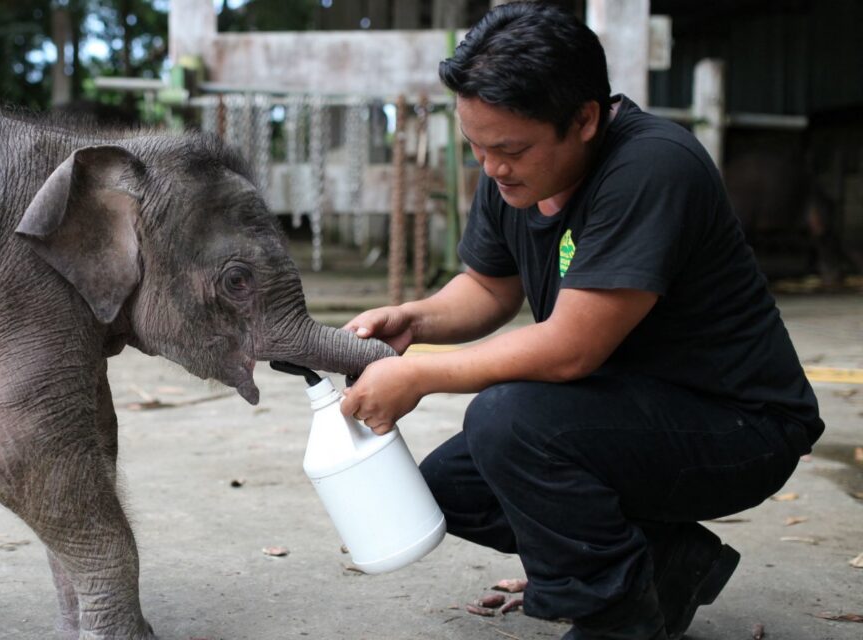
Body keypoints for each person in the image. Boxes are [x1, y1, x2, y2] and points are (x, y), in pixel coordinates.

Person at [338, 3, 824, 640]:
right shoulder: (509, 172)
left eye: (508, 149)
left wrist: (420, 376)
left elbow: (571, 349)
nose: (490, 167)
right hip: (628, 410)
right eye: (476, 147)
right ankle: (664, 565)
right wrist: (414, 319)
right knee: (448, 489)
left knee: (507, 420)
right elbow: (488, 286)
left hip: (739, 425)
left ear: (586, 119)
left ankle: (617, 617)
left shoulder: (653, 166)